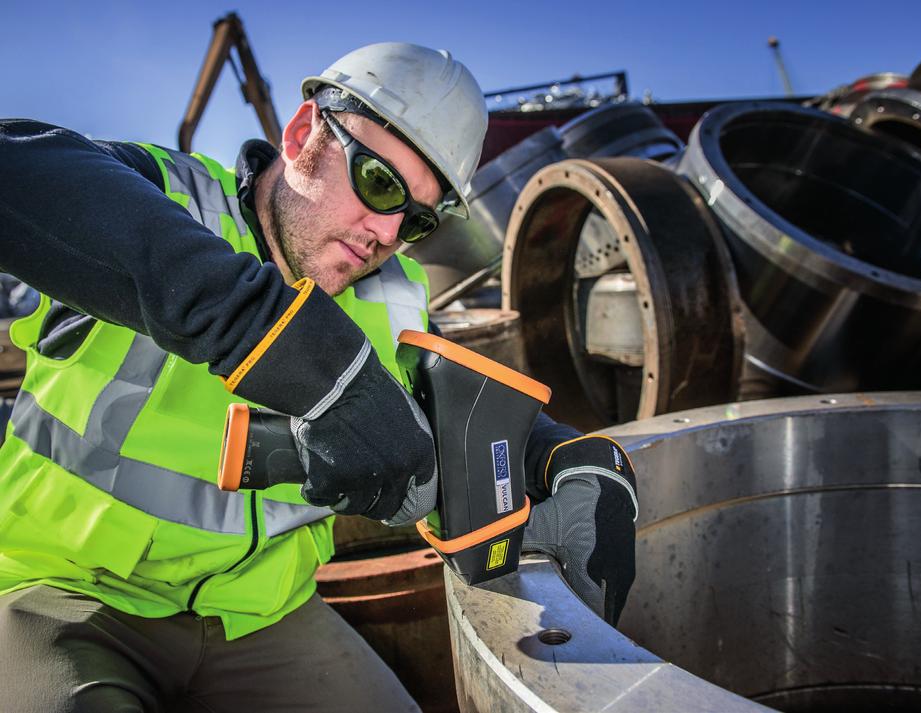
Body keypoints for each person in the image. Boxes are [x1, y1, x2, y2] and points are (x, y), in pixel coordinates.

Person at [0, 42, 638, 712]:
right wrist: (277, 335)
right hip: (64, 592)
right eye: (381, 183)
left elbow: (462, 412)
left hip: (263, 610)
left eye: (417, 218)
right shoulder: (169, 198)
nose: (386, 232)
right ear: (305, 132)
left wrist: (558, 454)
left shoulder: (393, 297)